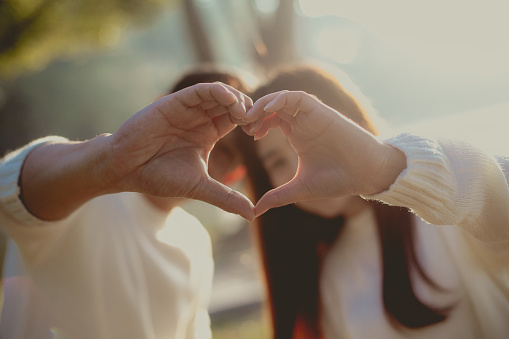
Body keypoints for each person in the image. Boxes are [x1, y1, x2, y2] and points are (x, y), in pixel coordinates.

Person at [215, 64, 509, 338]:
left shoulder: (447, 214)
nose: (302, 165)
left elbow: (495, 193)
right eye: (277, 161)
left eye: (309, 139)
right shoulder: (326, 279)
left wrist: (383, 168)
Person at [0, 75, 255, 339]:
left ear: (234, 174)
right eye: (194, 126)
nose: (200, 149)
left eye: (223, 151)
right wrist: (113, 158)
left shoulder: (196, 241)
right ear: (159, 106)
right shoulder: (84, 189)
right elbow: (10, 187)